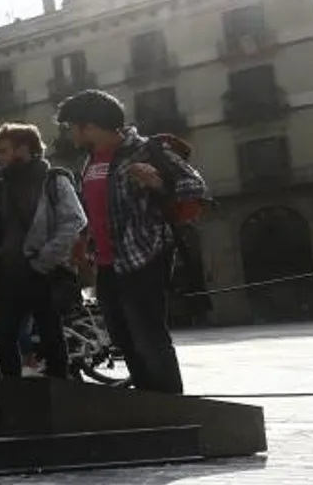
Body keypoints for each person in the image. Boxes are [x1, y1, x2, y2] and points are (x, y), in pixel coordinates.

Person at [57, 89, 210, 394]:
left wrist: (158, 183)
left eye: (71, 126)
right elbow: (96, 207)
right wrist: (83, 244)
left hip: (144, 257)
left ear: (90, 126)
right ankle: (147, 400)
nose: (69, 133)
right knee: (122, 338)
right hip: (107, 263)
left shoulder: (146, 150)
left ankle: (171, 405)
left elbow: (195, 187)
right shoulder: (91, 160)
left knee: (149, 337)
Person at [0, 123, 87, 379]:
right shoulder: (1, 187)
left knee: (51, 335)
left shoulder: (54, 180)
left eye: (3, 150)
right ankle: (14, 392)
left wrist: (44, 260)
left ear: (24, 149)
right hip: (9, 275)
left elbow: (74, 221)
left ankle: (60, 388)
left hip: (43, 273)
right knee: (5, 337)